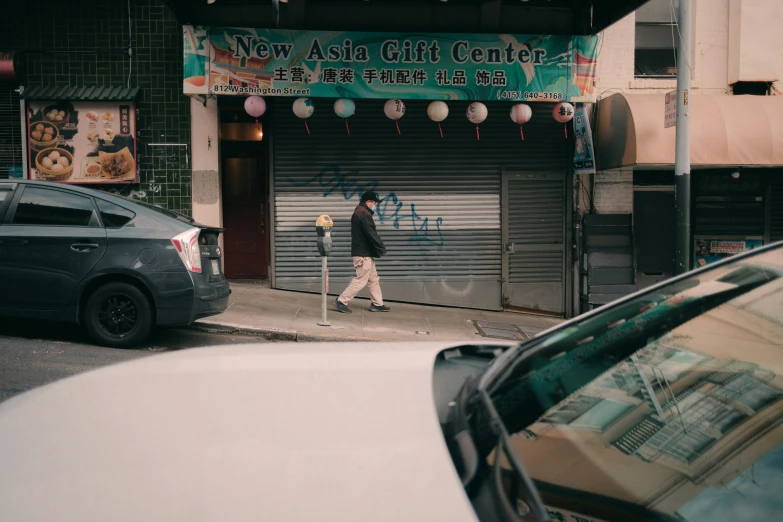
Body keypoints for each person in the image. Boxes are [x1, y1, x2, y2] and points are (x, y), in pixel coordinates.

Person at [333, 191, 390, 313]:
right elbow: (371, 234)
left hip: (366, 253)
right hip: (363, 254)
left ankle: (377, 304)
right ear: (368, 202)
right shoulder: (363, 214)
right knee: (361, 280)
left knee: (373, 279)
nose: (375, 205)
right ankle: (341, 301)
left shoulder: (360, 211)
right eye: (374, 202)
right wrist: (381, 247)